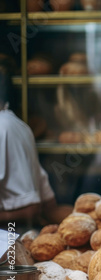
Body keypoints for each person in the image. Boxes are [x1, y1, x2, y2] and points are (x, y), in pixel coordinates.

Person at [0, 59, 58, 232]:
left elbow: (32, 209)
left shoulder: (4, 127)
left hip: (9, 239)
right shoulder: (19, 126)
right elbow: (48, 203)